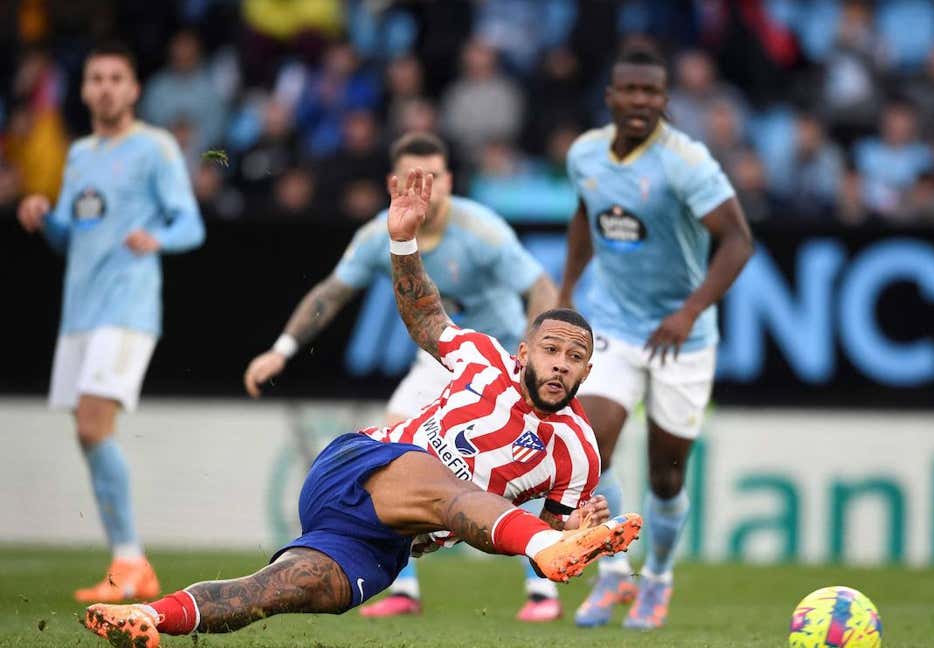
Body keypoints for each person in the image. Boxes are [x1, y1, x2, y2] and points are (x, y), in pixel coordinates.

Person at [82, 168, 642, 648]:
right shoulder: (483, 358)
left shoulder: (578, 451)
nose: (562, 364)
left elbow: (523, 532)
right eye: (551, 350)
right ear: (524, 351)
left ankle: (149, 618)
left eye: (576, 357)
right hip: (365, 466)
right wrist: (403, 242)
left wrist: (569, 527)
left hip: (386, 540)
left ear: (588, 372)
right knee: (451, 487)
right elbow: (425, 317)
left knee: (282, 591)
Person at [242, 132, 562, 621]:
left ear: (450, 180)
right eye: (418, 176)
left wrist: (531, 361)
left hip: (498, 361)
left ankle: (543, 591)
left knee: (522, 467)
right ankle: (403, 588)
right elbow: (332, 291)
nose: (428, 187)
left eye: (436, 176)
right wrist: (281, 349)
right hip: (438, 361)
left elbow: (540, 286)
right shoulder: (379, 234)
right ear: (398, 182)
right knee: (396, 443)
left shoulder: (482, 231)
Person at [559, 47, 753, 630]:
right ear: (611, 97)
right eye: (631, 91)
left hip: (681, 339)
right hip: (615, 325)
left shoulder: (685, 162)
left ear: (665, 101)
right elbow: (584, 216)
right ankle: (613, 575)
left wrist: (690, 311)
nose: (641, 102)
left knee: (666, 474)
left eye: (653, 93)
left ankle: (658, 579)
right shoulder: (584, 154)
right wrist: (567, 290)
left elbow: (739, 240)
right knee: (589, 450)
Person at [14, 42, 205, 603]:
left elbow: (191, 224)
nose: (105, 87)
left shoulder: (155, 147)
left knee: (93, 424)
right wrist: (44, 218)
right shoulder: (80, 156)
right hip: (80, 310)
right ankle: (127, 559)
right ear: (84, 90)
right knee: (88, 431)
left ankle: (130, 560)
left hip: (127, 306)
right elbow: (73, 239)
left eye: (116, 78)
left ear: (134, 89)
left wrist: (158, 238)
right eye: (96, 78)